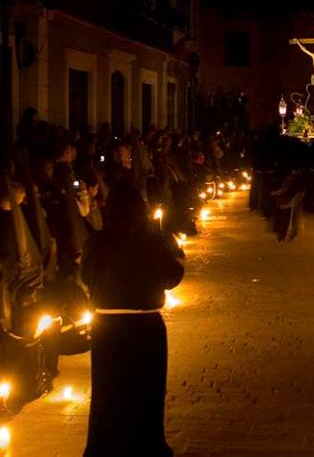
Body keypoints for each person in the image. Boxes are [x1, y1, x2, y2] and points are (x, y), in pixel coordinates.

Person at [81, 183, 183, 457]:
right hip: (144, 326)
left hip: (106, 327)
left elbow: (86, 278)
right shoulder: (150, 241)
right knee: (146, 390)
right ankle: (145, 447)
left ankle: (105, 447)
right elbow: (173, 277)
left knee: (108, 391)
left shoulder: (96, 241)